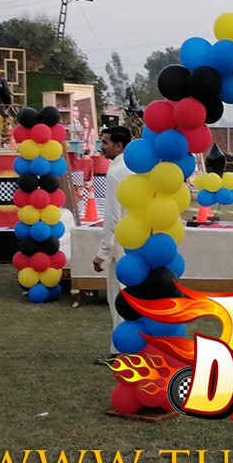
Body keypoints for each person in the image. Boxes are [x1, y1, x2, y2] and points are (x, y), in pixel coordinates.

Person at [92, 125, 132, 361]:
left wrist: (103, 253)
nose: (102, 147)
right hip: (140, 242)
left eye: (105, 142)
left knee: (119, 299)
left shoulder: (116, 172)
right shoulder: (135, 167)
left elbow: (112, 217)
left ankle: (121, 350)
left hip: (121, 246)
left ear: (118, 146)